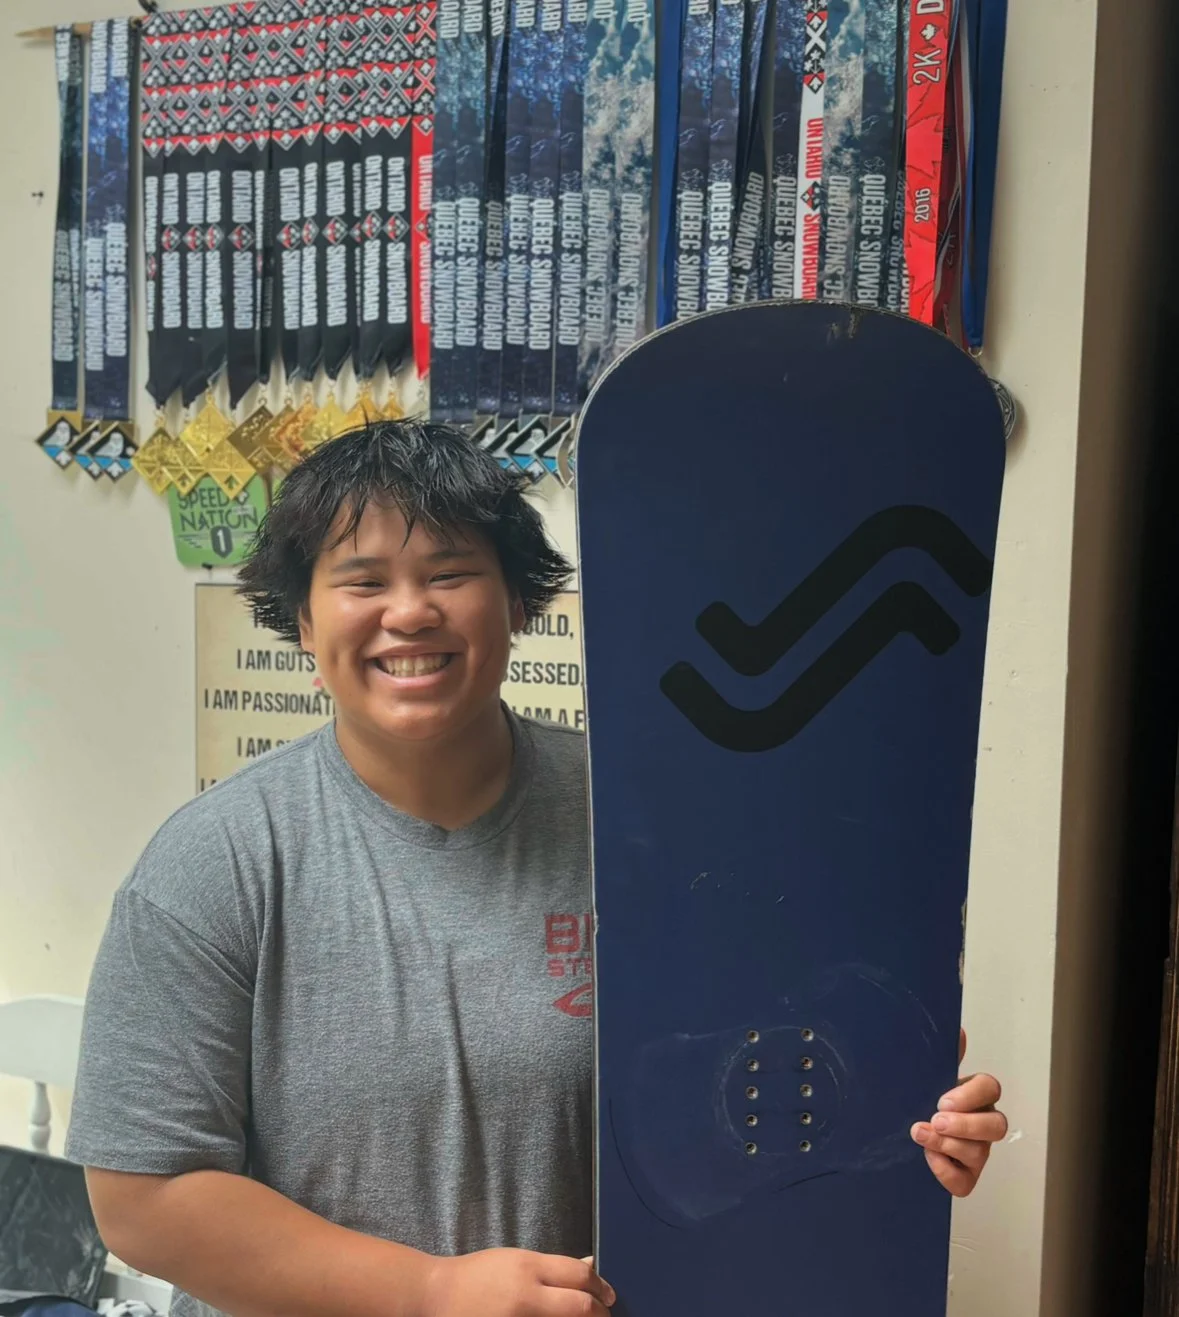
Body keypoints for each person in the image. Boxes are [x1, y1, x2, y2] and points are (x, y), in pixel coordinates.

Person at [66, 422, 1008, 1317]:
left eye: (449, 572)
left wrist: (895, 1125)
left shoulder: (648, 824)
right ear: (303, 624)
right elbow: (143, 1194)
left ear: (517, 602)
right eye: (362, 581)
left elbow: (761, 1067)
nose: (409, 612)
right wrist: (425, 1293)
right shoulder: (215, 863)